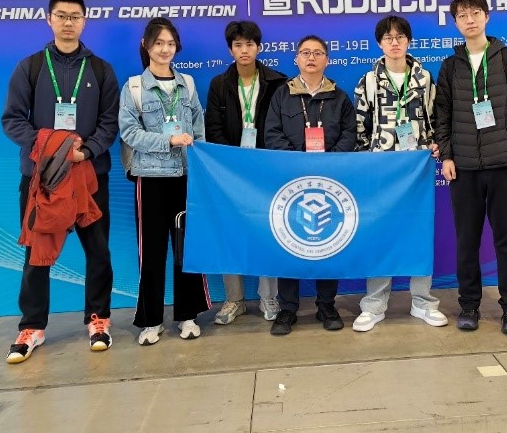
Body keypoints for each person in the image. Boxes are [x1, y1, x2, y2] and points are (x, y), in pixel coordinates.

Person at [1, 0, 119, 363]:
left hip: (89, 176)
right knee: (37, 254)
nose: (68, 22)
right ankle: (32, 327)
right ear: (49, 20)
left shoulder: (100, 70)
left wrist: (86, 151)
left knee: (98, 252)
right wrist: (48, 148)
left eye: (75, 16)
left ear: (84, 21)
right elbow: (12, 120)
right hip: (43, 179)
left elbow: (109, 123)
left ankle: (98, 319)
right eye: (62, 15)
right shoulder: (31, 67)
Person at [434, 0, 507, 335]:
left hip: (504, 165)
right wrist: (447, 155)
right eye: (462, 16)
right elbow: (442, 115)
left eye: (475, 13)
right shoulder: (451, 66)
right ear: (455, 22)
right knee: (467, 241)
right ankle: (469, 306)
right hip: (463, 169)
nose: (470, 20)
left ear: (487, 17)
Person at [352, 16, 448, 332]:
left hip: (416, 169)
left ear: (408, 41)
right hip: (381, 171)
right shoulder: (368, 81)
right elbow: (360, 128)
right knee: (380, 234)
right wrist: (367, 163)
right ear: (379, 43)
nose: (394, 42)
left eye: (400, 37)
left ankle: (423, 302)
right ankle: (374, 305)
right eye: (388, 37)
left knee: (419, 232)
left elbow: (435, 119)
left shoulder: (424, 78)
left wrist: (436, 143)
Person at [119, 17, 210, 345]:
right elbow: (129, 132)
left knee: (188, 249)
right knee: (152, 252)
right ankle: (151, 321)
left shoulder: (188, 83)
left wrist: (198, 160)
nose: (164, 49)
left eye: (170, 44)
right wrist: (168, 141)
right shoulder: (133, 87)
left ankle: (188, 315)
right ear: (146, 46)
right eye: (158, 43)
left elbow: (198, 125)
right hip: (151, 179)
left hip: (185, 177)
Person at [264, 35, 356, 335]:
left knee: (327, 241)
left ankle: (326, 305)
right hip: (292, 182)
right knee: (289, 242)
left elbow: (349, 134)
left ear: (327, 59)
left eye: (317, 53)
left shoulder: (339, 97)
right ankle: (287, 308)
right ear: (296, 59)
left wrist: (331, 162)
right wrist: (297, 163)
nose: (311, 58)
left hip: (330, 182)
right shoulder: (282, 95)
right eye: (305, 53)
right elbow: (272, 133)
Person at [205, 21, 286, 325]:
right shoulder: (219, 84)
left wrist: (264, 161)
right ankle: (234, 299)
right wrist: (233, 162)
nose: (244, 50)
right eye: (238, 45)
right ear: (230, 49)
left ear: (259, 47)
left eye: (249, 44)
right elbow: (213, 129)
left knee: (269, 231)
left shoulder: (277, 82)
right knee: (230, 233)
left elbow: (281, 126)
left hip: (266, 170)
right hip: (230, 172)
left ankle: (269, 296)